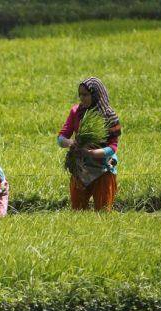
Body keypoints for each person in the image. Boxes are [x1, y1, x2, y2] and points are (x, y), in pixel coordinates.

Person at [57, 77, 122, 211]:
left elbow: (113, 147)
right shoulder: (76, 112)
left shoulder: (109, 116)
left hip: (104, 168)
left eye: (85, 94)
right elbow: (61, 138)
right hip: (81, 167)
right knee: (78, 210)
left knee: (103, 211)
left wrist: (92, 153)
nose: (82, 98)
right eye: (80, 94)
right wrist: (71, 143)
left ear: (96, 95)